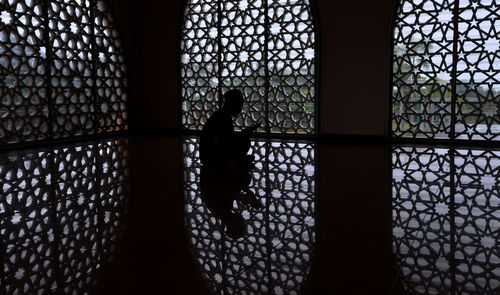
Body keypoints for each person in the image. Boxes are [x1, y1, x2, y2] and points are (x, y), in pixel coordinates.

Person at [199, 89, 260, 167]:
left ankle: (236, 160)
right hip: (212, 157)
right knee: (244, 141)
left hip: (210, 155)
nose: (240, 110)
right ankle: (233, 161)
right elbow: (219, 143)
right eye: (239, 106)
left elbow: (227, 138)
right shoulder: (221, 118)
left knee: (244, 140)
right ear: (232, 104)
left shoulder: (223, 115)